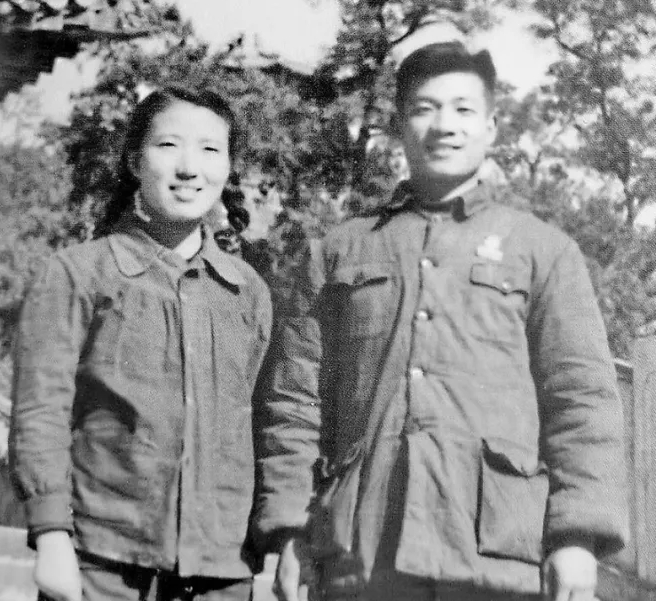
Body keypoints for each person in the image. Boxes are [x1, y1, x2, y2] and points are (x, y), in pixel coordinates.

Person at [258, 39, 627, 601]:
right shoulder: (338, 252)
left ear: (491, 127)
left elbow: (581, 402)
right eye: (424, 109)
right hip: (362, 555)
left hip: (499, 558)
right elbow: (295, 401)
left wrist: (576, 538)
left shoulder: (543, 252)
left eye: (462, 109)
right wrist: (289, 529)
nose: (444, 125)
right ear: (399, 126)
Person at [10, 87, 273, 601]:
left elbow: (265, 427)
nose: (189, 167)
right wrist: (52, 536)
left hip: (221, 570)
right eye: (168, 145)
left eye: (210, 149)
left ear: (228, 168)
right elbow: (40, 412)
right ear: (134, 161)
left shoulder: (249, 294)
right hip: (101, 565)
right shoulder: (76, 274)